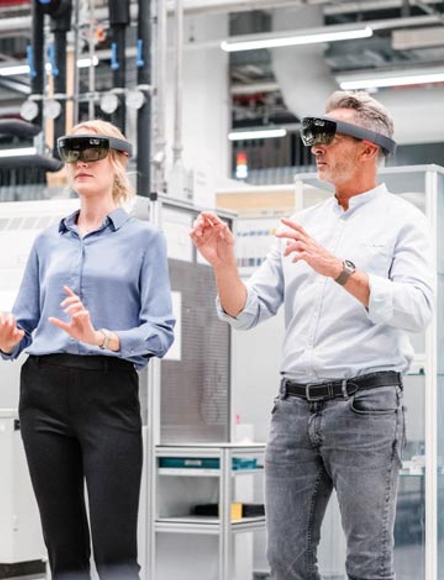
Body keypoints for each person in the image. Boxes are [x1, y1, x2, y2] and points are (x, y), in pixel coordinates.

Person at [190, 90, 434, 580]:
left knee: (368, 562)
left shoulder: (405, 221)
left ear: (369, 148)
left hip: (366, 408)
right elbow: (247, 311)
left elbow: (417, 308)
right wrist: (224, 265)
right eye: (311, 136)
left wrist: (340, 271)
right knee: (286, 562)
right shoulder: (300, 225)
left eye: (327, 135)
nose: (315, 146)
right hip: (293, 411)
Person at [0, 120, 175, 580]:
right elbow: (26, 322)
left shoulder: (145, 240)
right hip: (43, 392)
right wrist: (9, 342)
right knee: (64, 549)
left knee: (114, 552)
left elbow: (161, 330)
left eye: (93, 153)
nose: (82, 164)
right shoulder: (46, 241)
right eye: (73, 154)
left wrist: (104, 338)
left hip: (107, 392)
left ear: (119, 161)